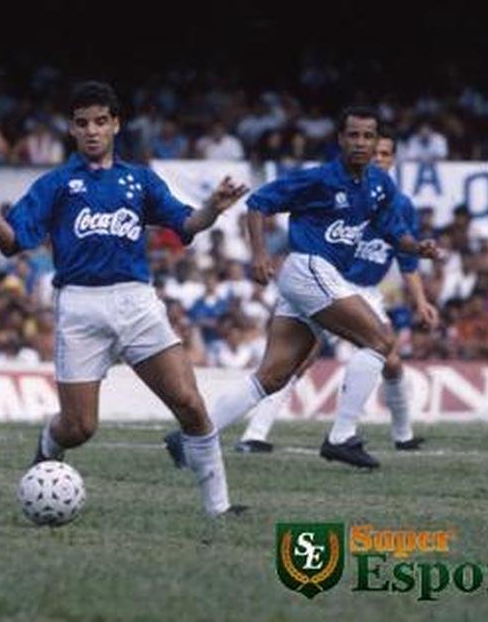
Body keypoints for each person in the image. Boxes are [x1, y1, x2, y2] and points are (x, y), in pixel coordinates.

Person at [0, 82, 248, 520]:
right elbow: (11, 243)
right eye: (82, 123)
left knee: (190, 404)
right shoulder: (56, 184)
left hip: (137, 303)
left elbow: (186, 223)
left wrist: (213, 207)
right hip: (79, 307)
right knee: (79, 428)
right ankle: (50, 442)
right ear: (71, 129)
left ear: (116, 124)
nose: (92, 130)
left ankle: (220, 508)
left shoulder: (141, 180)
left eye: (101, 121)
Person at [172, 107, 439, 471]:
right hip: (309, 267)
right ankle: (341, 437)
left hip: (314, 279)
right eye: (354, 136)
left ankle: (190, 438)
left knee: (273, 376)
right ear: (341, 139)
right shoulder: (319, 179)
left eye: (368, 136)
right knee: (380, 342)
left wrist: (417, 247)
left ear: (376, 141)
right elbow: (257, 204)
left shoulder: (379, 186)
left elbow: (393, 232)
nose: (361, 143)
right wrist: (260, 255)